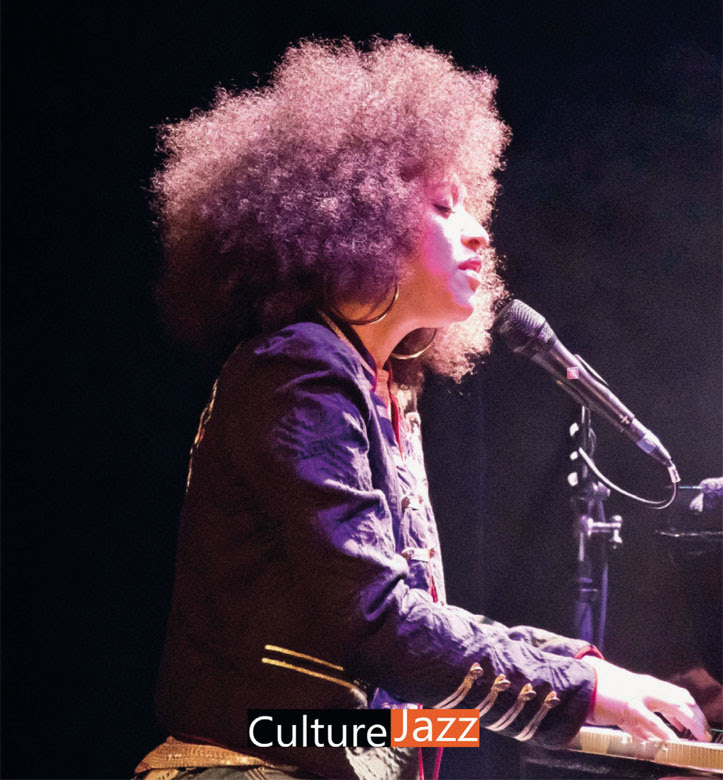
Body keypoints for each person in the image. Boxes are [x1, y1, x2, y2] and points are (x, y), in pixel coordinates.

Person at [138, 38, 709, 780]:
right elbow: (381, 626)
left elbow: (390, 668)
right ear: (361, 219)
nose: (477, 231)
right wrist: (579, 694)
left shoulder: (380, 386)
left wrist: (589, 678)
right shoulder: (300, 371)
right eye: (443, 205)